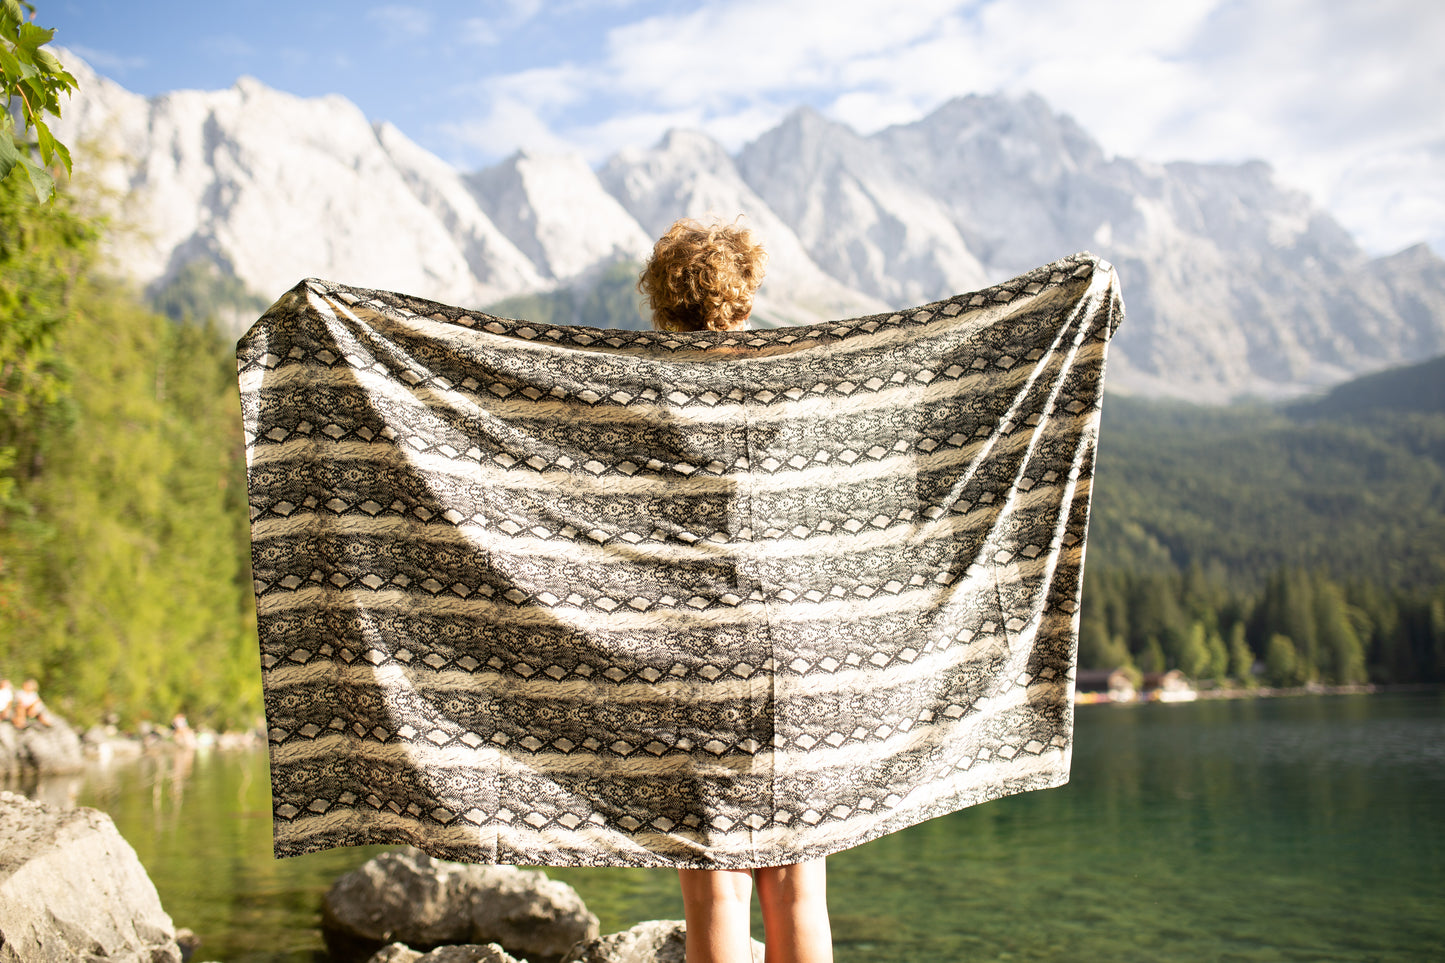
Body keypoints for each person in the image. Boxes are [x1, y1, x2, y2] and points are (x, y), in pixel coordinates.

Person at [637, 217, 834, 963]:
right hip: (792, 645)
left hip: (688, 647)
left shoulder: (640, 389)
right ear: (745, 290)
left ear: (661, 300)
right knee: (795, 884)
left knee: (713, 887)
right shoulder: (793, 378)